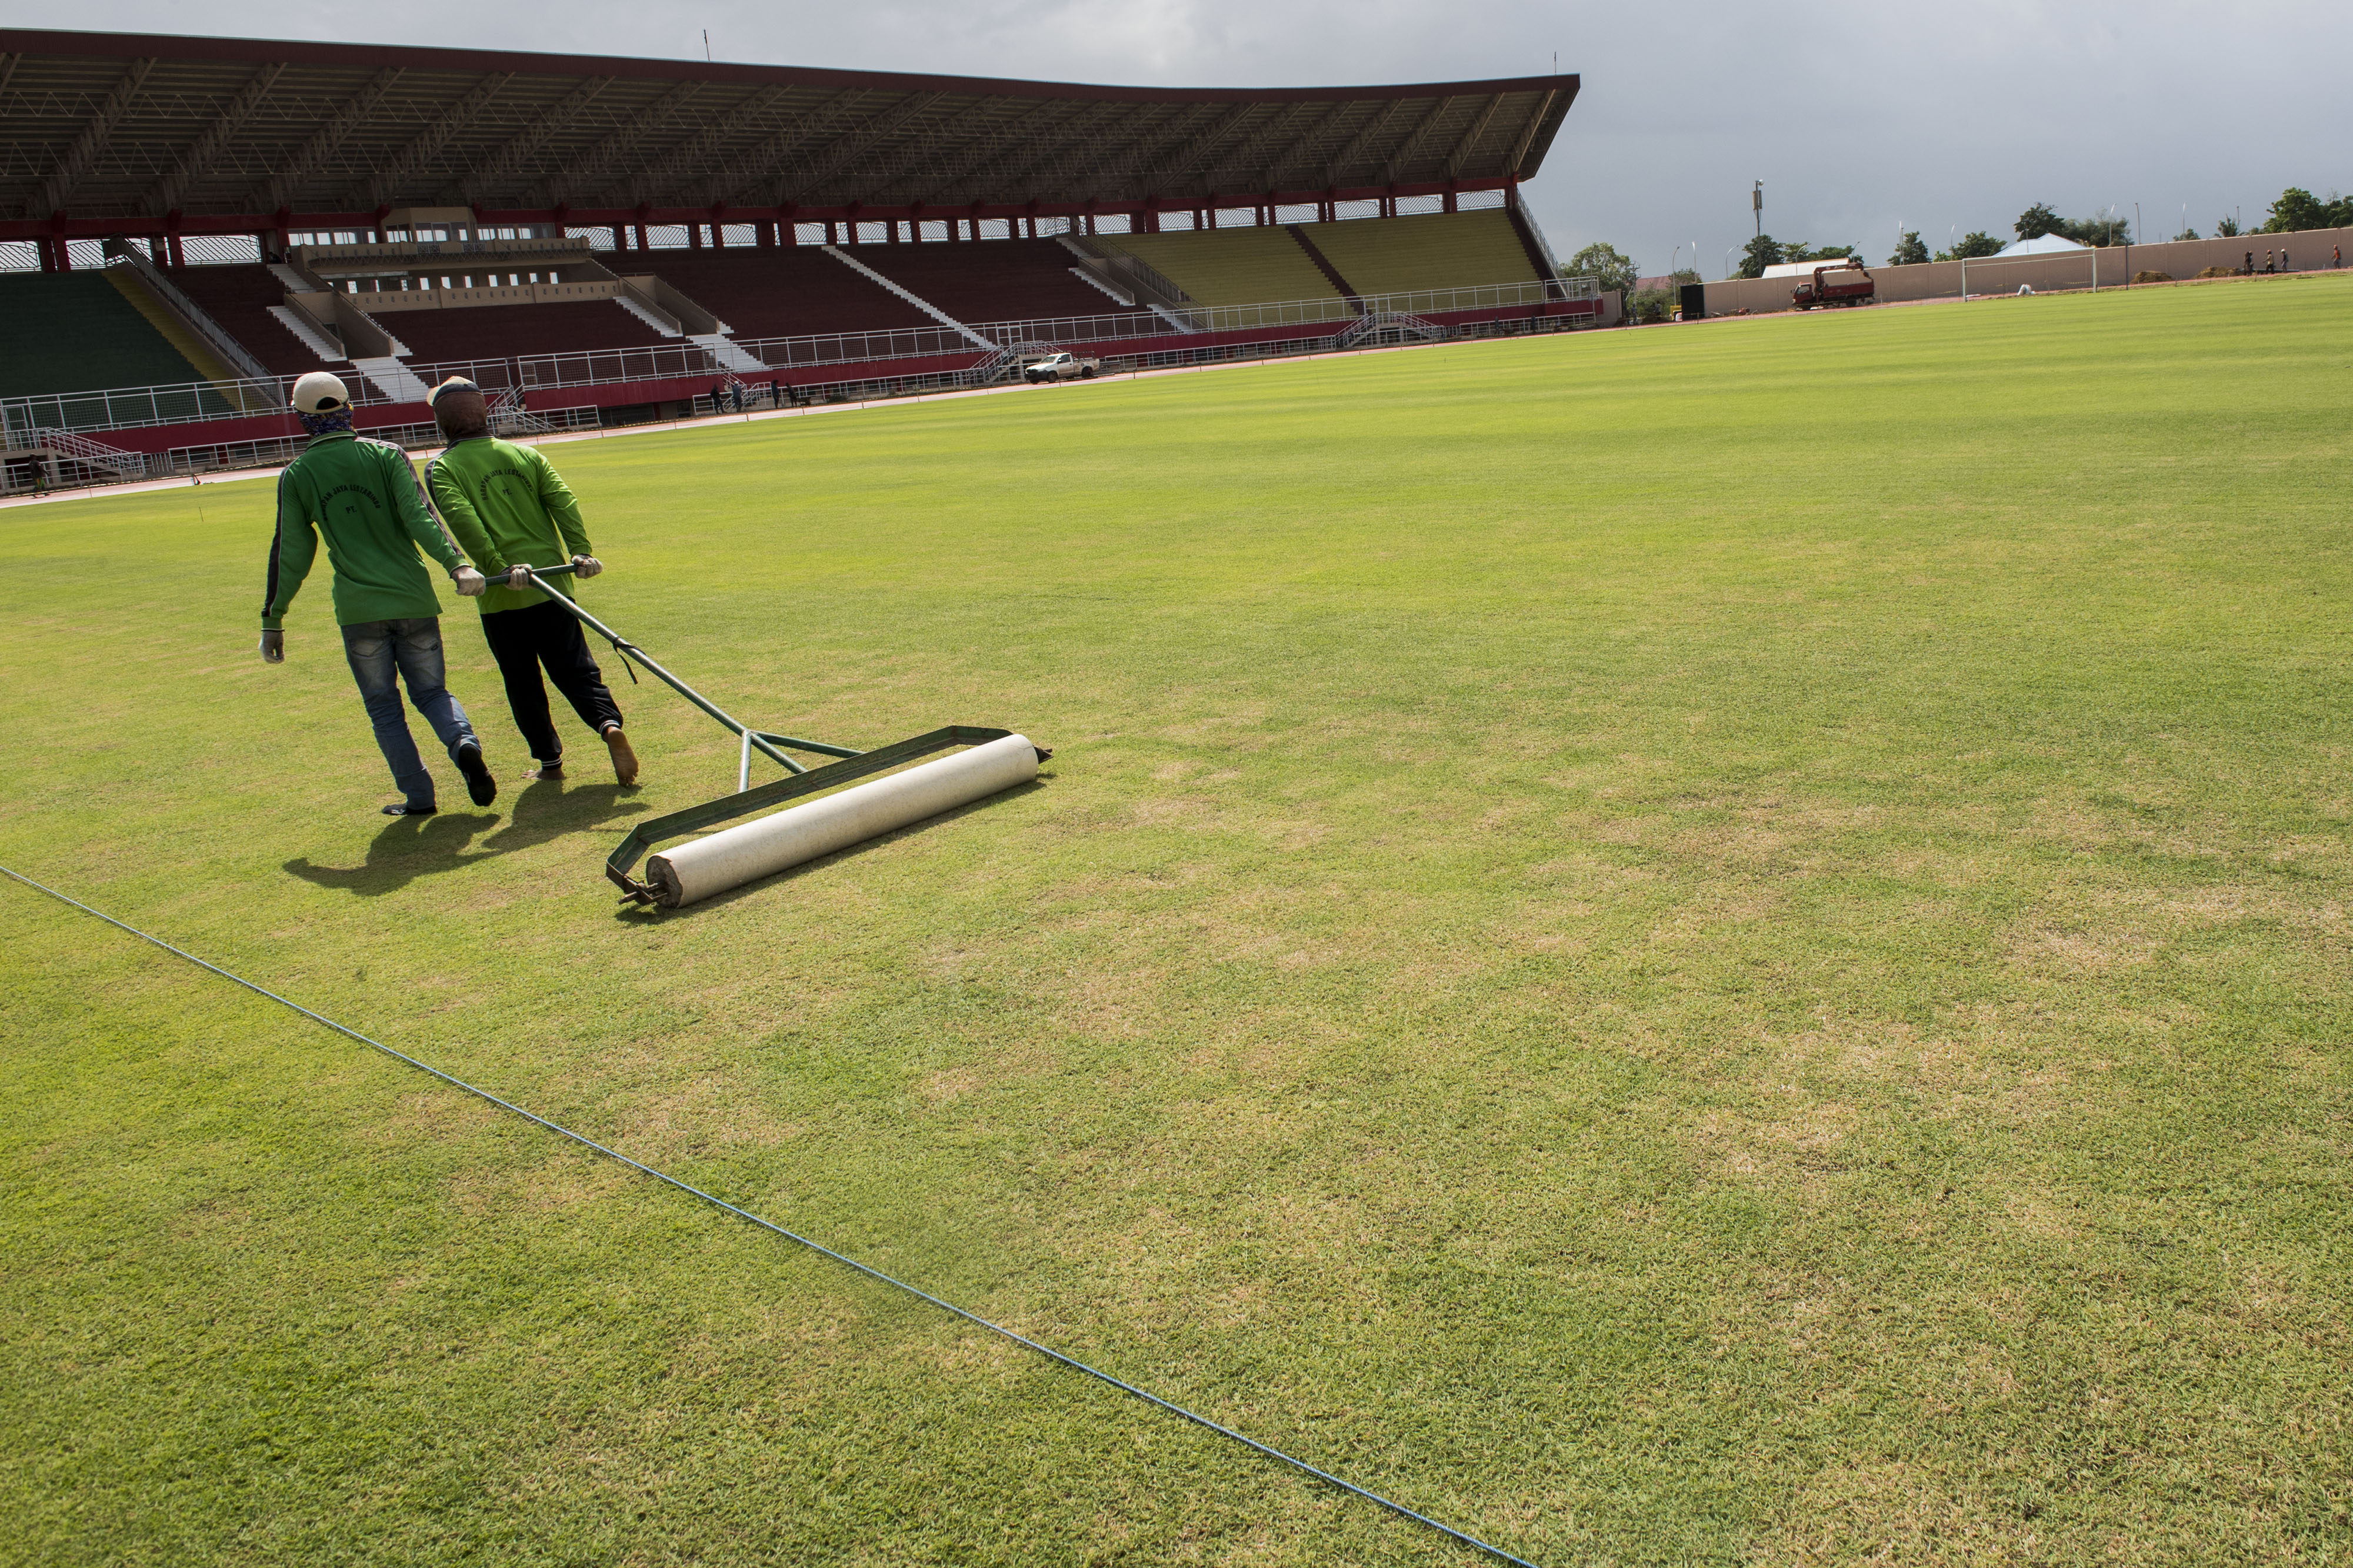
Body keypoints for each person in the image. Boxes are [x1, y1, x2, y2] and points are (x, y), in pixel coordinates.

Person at [260, 371, 497, 815]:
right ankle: (463, 742)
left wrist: (274, 620)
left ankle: (419, 797)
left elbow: (290, 552)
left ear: (301, 419)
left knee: (384, 708)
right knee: (432, 693)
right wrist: (457, 564)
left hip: (358, 611)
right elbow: (420, 516)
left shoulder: (297, 475)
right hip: (412, 599)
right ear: (349, 408)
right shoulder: (387, 455)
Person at [421, 377, 638, 786]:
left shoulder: (444, 467)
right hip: (552, 584)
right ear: (485, 413)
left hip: (504, 595)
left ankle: (550, 762)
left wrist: (497, 566)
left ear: (442, 423)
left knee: (522, 681)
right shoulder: (525, 454)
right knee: (576, 669)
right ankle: (608, 725)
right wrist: (580, 550)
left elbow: (462, 520)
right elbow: (562, 499)